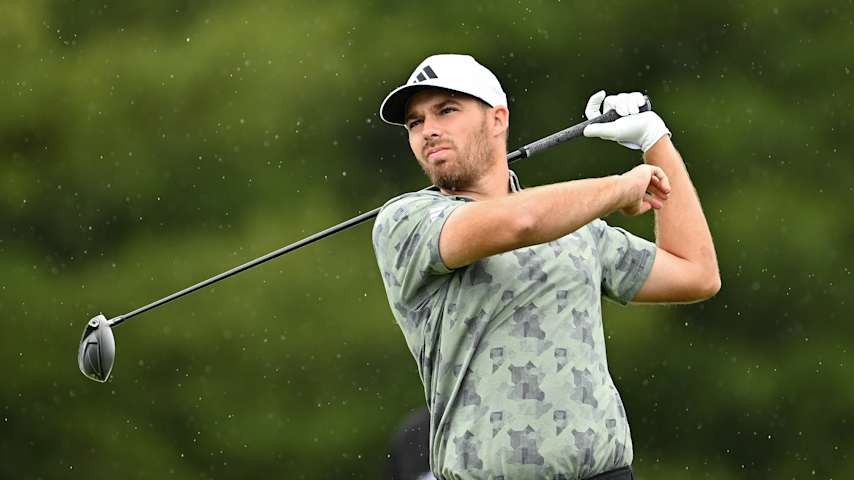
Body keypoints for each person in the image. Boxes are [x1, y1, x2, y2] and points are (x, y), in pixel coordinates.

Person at [371, 54, 719, 480]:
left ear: (497, 119)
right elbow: (520, 222)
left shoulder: (576, 227)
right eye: (415, 122)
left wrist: (655, 140)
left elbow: (696, 273)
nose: (429, 130)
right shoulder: (406, 220)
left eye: (447, 110)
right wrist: (621, 186)